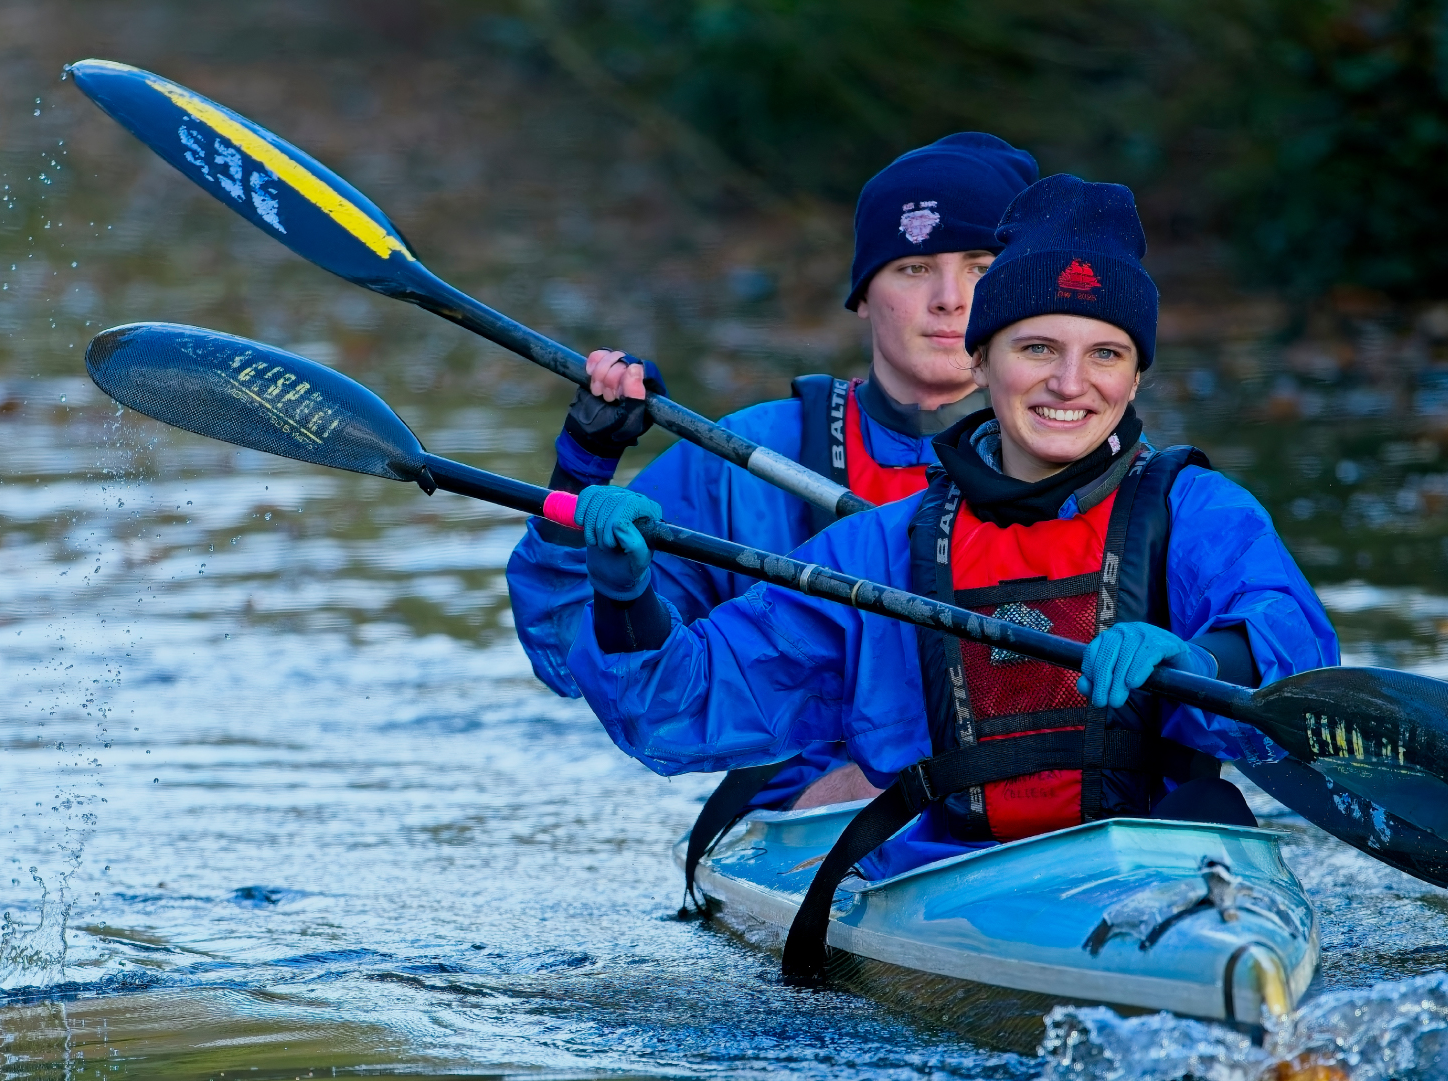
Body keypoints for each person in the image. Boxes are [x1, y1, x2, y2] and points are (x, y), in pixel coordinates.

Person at [561, 174, 1340, 887]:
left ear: (1135, 376)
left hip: (1168, 865)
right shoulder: (881, 549)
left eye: (1105, 353)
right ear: (983, 359)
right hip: (952, 877)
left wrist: (1201, 657)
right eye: (1036, 348)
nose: (1070, 383)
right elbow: (674, 706)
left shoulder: (1199, 511)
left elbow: (1294, 650)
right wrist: (624, 592)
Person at [507, 133, 1038, 821]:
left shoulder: (1079, 458)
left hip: (1035, 784)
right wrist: (580, 470)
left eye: (978, 266)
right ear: (861, 295)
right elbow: (566, 656)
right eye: (912, 267)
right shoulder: (743, 457)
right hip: (812, 805)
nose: (947, 298)